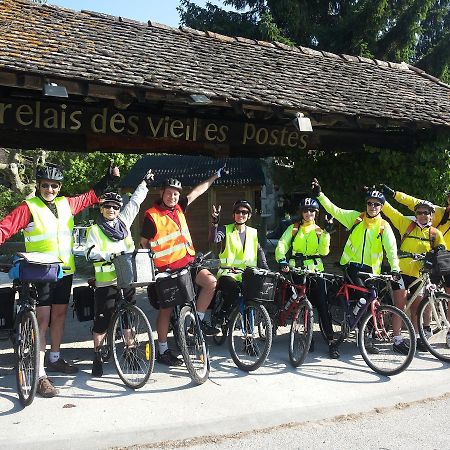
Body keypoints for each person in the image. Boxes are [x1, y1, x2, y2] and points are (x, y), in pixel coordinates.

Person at [0, 162, 119, 397]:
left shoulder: (66, 204)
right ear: (38, 185)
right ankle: (40, 373)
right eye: (45, 185)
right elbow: (5, 227)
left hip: (64, 270)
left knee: (60, 315)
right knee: (42, 320)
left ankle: (55, 357)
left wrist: (109, 178)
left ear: (60, 187)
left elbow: (91, 196)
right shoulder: (29, 207)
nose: (50, 189)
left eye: (54, 186)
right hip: (40, 270)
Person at [140, 169, 225, 366]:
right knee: (166, 310)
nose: (173, 196)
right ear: (161, 194)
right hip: (167, 270)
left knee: (211, 282)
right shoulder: (152, 216)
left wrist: (214, 177)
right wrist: (152, 267)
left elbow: (197, 192)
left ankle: (198, 323)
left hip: (188, 263)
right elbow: (143, 243)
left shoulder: (179, 207)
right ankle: (162, 350)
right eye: (169, 192)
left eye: (176, 193)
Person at [311, 179, 402, 354]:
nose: (372, 207)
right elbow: (334, 210)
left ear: (381, 207)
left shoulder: (384, 226)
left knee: (370, 302)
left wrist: (395, 268)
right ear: (366, 204)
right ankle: (356, 327)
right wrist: (320, 195)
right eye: (369, 203)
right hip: (352, 267)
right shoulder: (356, 218)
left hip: (371, 271)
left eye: (376, 204)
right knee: (362, 295)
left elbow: (391, 250)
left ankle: (364, 334)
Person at [85, 170, 154, 377]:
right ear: (102, 208)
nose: (111, 210)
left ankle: (130, 352)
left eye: (115, 207)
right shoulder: (95, 230)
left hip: (126, 279)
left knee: (128, 319)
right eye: (107, 206)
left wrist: (145, 183)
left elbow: (134, 203)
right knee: (102, 322)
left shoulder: (123, 223)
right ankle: (97, 355)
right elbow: (89, 253)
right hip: (106, 283)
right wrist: (109, 254)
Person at [380, 196, 446, 351]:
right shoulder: (406, 225)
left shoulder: (435, 233)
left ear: (431, 215)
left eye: (426, 213)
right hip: (401, 271)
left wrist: (438, 250)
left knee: (417, 307)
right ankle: (397, 340)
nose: (422, 215)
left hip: (419, 274)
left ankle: (417, 337)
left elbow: (441, 249)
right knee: (400, 305)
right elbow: (391, 212)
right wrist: (382, 197)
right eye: (419, 213)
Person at [275, 197, 338, 358]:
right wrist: (282, 260)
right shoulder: (294, 228)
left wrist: (326, 233)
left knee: (323, 305)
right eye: (305, 210)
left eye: (312, 210)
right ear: (301, 213)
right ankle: (307, 337)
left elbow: (324, 252)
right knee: (301, 302)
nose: (308, 213)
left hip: (316, 271)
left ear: (316, 213)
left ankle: (331, 341)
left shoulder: (319, 231)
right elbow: (281, 245)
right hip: (296, 269)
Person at [209, 200, 269, 316]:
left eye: (244, 212)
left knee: (252, 295)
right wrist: (215, 224)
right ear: (233, 214)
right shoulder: (225, 230)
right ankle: (221, 315)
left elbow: (259, 252)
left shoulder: (253, 233)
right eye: (238, 212)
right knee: (234, 291)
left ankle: (246, 327)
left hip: (247, 275)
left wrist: (266, 268)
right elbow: (214, 239)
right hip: (228, 273)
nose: (241, 215)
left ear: (249, 215)